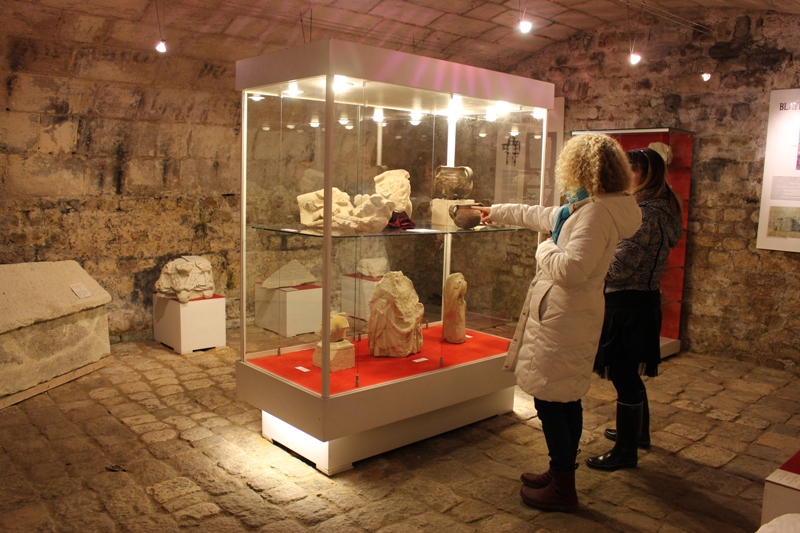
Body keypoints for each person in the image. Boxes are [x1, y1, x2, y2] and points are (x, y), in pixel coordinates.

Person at [473, 133, 642, 512]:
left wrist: (544, 245)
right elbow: (539, 214)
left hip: (568, 318)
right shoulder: (585, 208)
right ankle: (560, 470)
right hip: (565, 315)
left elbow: (572, 270)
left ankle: (564, 485)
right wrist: (493, 211)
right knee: (562, 396)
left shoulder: (596, 213)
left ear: (583, 169)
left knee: (553, 401)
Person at [585, 147, 683, 471]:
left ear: (645, 175)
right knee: (627, 374)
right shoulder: (656, 209)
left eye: (631, 171)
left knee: (624, 376)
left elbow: (622, 266)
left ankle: (627, 450)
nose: (626, 176)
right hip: (638, 302)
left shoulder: (648, 215)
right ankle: (637, 432)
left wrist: (593, 263)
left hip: (628, 303)